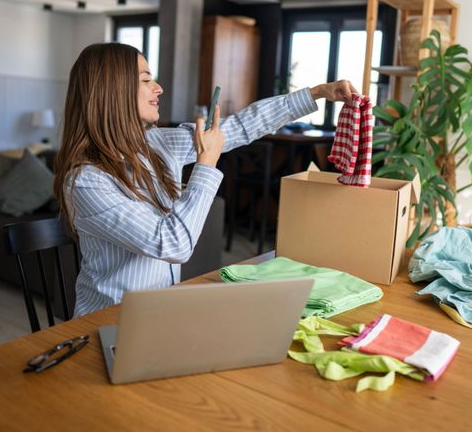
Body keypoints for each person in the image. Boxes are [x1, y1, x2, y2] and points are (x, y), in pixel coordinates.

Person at [54, 42, 357, 316]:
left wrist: (317, 92)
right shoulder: (86, 180)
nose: (158, 88)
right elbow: (173, 245)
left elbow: (240, 126)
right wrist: (206, 164)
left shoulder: (157, 144)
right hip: (106, 323)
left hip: (159, 315)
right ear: (113, 91)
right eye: (146, 80)